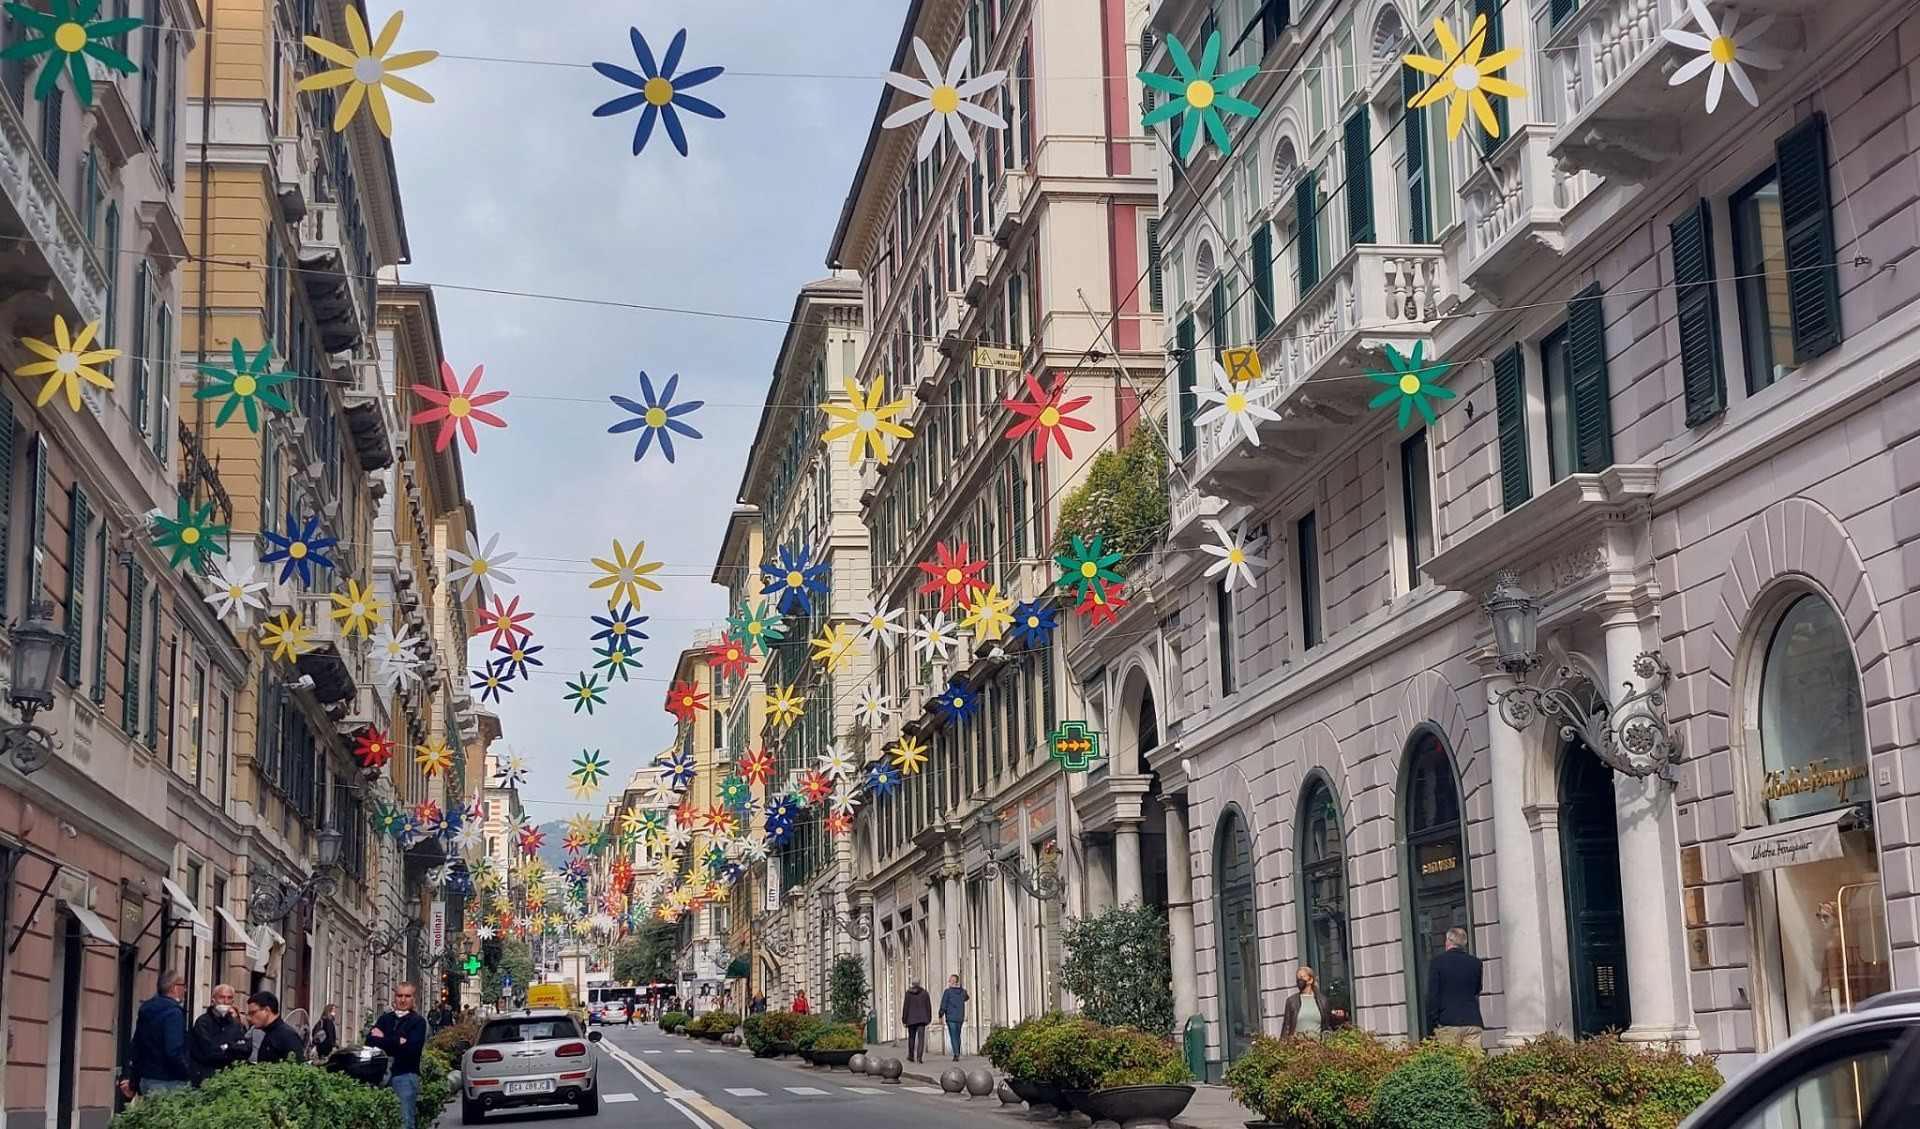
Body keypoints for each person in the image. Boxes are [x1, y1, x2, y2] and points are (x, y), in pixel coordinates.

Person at [369, 983, 431, 1129]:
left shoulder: (418, 1022)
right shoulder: (385, 1019)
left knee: (405, 1122)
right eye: (400, 996)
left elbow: (411, 1050)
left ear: (413, 1000)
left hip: (405, 1076)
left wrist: (384, 1039)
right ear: (394, 998)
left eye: (407, 996)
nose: (403, 1000)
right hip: (380, 1076)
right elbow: (370, 1042)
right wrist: (398, 1041)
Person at [122, 970, 191, 1098]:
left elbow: (137, 1048)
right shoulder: (174, 1014)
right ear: (174, 988)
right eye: (183, 986)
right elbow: (174, 1050)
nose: (185, 990)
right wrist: (186, 1073)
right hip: (169, 1081)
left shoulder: (146, 1011)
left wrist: (134, 1083)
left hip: (147, 1080)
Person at [1427, 926, 1485, 1049]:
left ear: (1449, 941)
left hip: (1448, 1020)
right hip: (1472, 1019)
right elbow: (1477, 989)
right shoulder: (1475, 963)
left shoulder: (1437, 962)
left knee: (1451, 1063)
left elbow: (1433, 994)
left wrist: (1435, 1020)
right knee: (1473, 1062)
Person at [188, 984, 252, 1083]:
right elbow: (208, 1053)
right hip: (206, 1078)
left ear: (233, 1001)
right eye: (222, 997)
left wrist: (227, 1047)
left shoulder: (236, 1024)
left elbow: (246, 1049)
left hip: (230, 1078)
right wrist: (233, 1052)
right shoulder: (203, 1022)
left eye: (229, 998)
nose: (226, 1001)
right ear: (213, 1000)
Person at [1281, 968, 1348, 1036]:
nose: (1299, 981)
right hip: (1297, 1045)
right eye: (1297, 978)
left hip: (1317, 1044)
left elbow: (1328, 1024)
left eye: (1301, 977)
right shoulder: (1292, 1001)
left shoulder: (1322, 1001)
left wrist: (1340, 1017)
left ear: (1310, 980)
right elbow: (1286, 1027)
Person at [246, 990, 306, 1063]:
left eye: (252, 1013)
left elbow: (297, 1068)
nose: (248, 1018)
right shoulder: (270, 1033)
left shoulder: (286, 1035)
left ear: (266, 1010)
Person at [938, 974, 969, 1061]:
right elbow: (967, 998)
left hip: (951, 1016)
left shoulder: (948, 992)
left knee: (953, 1035)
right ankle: (957, 1051)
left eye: (950, 979)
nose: (949, 980)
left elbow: (944, 1003)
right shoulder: (963, 991)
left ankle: (956, 1054)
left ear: (953, 981)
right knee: (958, 1035)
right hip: (960, 1016)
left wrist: (941, 1014)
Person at [901, 980, 932, 1063]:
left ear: (912, 984)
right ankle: (919, 1057)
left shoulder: (908, 994)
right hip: (922, 1019)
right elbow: (928, 1006)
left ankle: (911, 1055)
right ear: (919, 983)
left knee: (911, 1038)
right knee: (921, 1039)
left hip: (911, 1019)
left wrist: (904, 1019)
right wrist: (929, 1018)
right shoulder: (924, 993)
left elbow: (906, 1007)